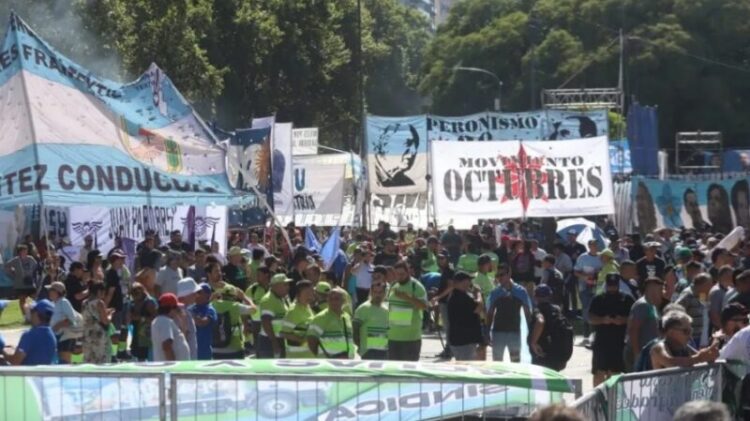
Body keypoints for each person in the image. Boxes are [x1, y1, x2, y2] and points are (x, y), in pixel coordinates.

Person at [588, 274, 634, 385]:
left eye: (614, 285)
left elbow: (634, 318)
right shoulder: (598, 299)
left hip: (619, 342)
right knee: (599, 371)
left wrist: (622, 320)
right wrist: (603, 320)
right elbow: (590, 318)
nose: (612, 288)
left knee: (615, 373)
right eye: (610, 285)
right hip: (601, 341)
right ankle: (598, 399)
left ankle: (612, 399)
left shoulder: (627, 299)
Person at [486, 264, 532, 362]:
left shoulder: (521, 291)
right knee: (497, 363)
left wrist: (530, 332)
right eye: (497, 276)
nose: (499, 278)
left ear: (509, 274)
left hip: (514, 332)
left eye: (501, 275)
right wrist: (487, 331)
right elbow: (490, 313)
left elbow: (528, 314)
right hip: (498, 332)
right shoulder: (495, 292)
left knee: (515, 362)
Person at [387, 261, 427, 361]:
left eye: (402, 274)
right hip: (393, 337)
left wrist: (408, 298)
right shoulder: (393, 286)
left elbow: (424, 306)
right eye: (397, 274)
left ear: (408, 272)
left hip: (410, 338)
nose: (399, 277)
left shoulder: (416, 286)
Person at [650, 311, 718, 369]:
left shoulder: (685, 347)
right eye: (686, 331)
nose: (690, 336)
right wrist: (699, 358)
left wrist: (709, 355)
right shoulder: (658, 348)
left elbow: (700, 357)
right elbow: (671, 363)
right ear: (671, 332)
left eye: (691, 331)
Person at [625, 277, 664, 371]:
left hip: (648, 353)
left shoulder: (652, 305)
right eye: (659, 289)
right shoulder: (642, 305)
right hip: (639, 353)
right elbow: (634, 329)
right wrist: (637, 354)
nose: (661, 292)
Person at [528, 285, 570, 371]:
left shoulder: (537, 310)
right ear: (550, 296)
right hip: (556, 355)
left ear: (536, 297)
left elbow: (540, 321)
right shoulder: (557, 310)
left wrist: (533, 343)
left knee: (540, 381)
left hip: (541, 354)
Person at [1, 299, 56, 365]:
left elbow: (15, 362)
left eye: (32, 311)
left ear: (36, 314)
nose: (30, 313)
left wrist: (3, 352)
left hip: (27, 374)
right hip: (44, 373)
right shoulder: (51, 335)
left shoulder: (29, 335)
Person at [307, 288, 355, 359]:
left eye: (336, 299)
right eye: (330, 299)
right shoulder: (321, 317)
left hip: (347, 362)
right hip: (328, 362)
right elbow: (311, 339)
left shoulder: (347, 317)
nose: (333, 301)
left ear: (343, 301)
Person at [447, 272, 483, 361]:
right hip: (464, 341)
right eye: (468, 280)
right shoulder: (460, 296)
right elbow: (478, 307)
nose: (470, 283)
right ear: (460, 282)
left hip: (459, 339)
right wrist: (478, 293)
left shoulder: (458, 295)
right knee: (466, 367)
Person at [211, 285, 255, 359]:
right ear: (234, 297)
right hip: (235, 349)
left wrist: (212, 297)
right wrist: (244, 297)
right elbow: (254, 309)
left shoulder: (213, 304)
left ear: (221, 295)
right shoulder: (236, 306)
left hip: (216, 349)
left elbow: (205, 306)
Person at [257, 273, 293, 358]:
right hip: (269, 342)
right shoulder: (268, 300)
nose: (288, 287)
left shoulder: (283, 298)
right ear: (275, 286)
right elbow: (266, 323)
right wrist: (274, 343)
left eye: (288, 284)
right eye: (285, 285)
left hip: (279, 339)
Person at [353, 277, 389, 360]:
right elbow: (355, 330)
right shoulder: (363, 308)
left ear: (384, 293)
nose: (377, 295)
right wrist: (360, 346)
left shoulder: (387, 309)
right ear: (371, 292)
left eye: (380, 292)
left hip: (384, 351)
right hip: (368, 352)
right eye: (375, 292)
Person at [574, 239, 602, 346]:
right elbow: (576, 271)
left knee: (596, 310)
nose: (594, 246)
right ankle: (585, 335)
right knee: (585, 309)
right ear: (589, 246)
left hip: (597, 288)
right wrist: (585, 276)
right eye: (592, 245)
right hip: (584, 287)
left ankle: (595, 334)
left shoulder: (601, 257)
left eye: (596, 245)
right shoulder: (582, 257)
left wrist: (597, 273)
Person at [47, 281, 82, 364]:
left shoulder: (64, 302)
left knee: (65, 362)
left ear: (57, 292)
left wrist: (58, 325)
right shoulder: (56, 303)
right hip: (60, 336)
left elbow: (71, 319)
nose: (49, 292)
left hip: (66, 337)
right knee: (61, 361)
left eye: (51, 290)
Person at [675, 272, 713, 348]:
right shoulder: (688, 295)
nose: (711, 287)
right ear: (702, 285)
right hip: (689, 337)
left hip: (700, 336)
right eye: (709, 285)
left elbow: (704, 310)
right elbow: (676, 310)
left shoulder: (702, 294)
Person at [151, 293, 191, 361]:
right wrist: (172, 366)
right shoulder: (164, 321)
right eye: (176, 308)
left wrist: (182, 320)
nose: (177, 311)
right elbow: (166, 345)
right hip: (172, 369)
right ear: (171, 308)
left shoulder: (163, 321)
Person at [281, 280, 316, 358]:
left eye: (312, 292)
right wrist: (302, 340)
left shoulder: (308, 307)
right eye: (307, 293)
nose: (311, 295)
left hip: (309, 355)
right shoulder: (293, 311)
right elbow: (284, 333)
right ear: (298, 295)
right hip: (297, 356)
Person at [104, 250, 128, 360]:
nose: (122, 261)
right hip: (114, 307)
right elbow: (110, 292)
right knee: (115, 333)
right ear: (114, 261)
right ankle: (113, 355)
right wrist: (105, 306)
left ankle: (120, 352)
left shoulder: (116, 272)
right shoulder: (112, 273)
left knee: (121, 330)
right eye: (120, 259)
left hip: (119, 305)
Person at [82, 283, 113, 363]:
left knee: (88, 359)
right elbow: (105, 321)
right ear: (99, 291)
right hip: (98, 335)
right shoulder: (100, 303)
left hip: (87, 334)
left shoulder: (84, 303)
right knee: (100, 360)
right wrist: (110, 315)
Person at [5, 244, 39, 317]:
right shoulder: (16, 260)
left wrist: (31, 274)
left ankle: (36, 314)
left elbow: (35, 266)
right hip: (20, 283)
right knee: (22, 300)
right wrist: (13, 274)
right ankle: (25, 316)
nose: (24, 252)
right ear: (19, 252)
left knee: (35, 297)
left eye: (26, 250)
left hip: (30, 283)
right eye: (23, 250)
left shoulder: (30, 259)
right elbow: (7, 267)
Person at [129, 282, 157, 361]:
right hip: (137, 333)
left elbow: (155, 318)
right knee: (137, 355)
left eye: (137, 293)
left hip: (146, 335)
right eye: (133, 293)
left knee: (145, 355)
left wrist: (141, 318)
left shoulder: (149, 302)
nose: (135, 296)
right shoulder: (133, 303)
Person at [175, 278, 201, 360]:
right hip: (184, 361)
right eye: (194, 293)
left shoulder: (186, 311)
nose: (197, 295)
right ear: (186, 294)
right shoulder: (180, 313)